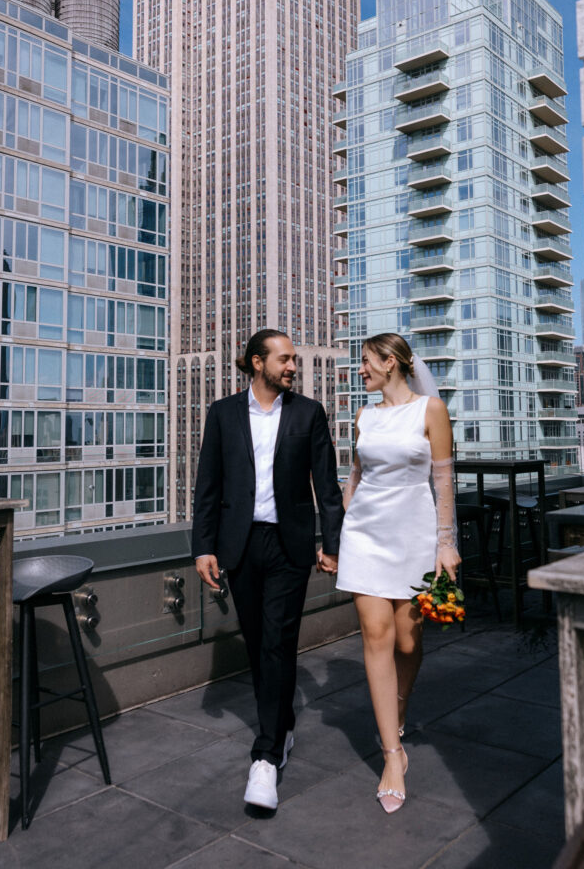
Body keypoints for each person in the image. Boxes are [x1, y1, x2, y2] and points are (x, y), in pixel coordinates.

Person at [192, 329, 344, 811]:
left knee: (278, 639)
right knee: (260, 643)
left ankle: (265, 755)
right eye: (284, 359)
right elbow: (207, 486)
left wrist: (333, 544)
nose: (293, 366)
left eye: (295, 359)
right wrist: (203, 548)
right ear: (257, 362)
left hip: (289, 545)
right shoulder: (222, 414)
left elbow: (328, 486)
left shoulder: (308, 413)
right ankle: (283, 725)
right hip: (240, 545)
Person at [332, 332, 461, 814]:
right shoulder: (365, 417)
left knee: (408, 641)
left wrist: (444, 544)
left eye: (365, 362)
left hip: (413, 536)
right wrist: (336, 536)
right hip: (364, 536)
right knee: (376, 634)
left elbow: (443, 478)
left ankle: (398, 710)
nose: (360, 370)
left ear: (390, 363)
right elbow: (355, 479)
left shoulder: (430, 411)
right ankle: (391, 752)